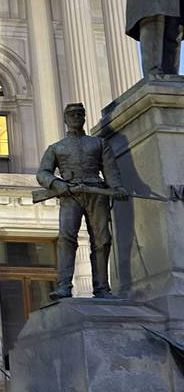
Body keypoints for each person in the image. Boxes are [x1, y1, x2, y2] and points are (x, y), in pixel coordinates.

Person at [36, 102, 127, 300]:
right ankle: (64, 286)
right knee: (66, 239)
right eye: (72, 114)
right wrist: (56, 184)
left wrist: (117, 189)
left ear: (84, 117)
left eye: (80, 113)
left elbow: (110, 170)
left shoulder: (99, 144)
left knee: (102, 240)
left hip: (97, 193)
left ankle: (102, 288)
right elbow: (42, 173)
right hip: (70, 195)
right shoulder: (56, 148)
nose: (76, 116)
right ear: (65, 119)